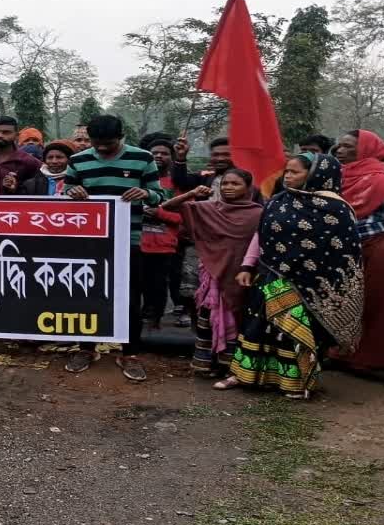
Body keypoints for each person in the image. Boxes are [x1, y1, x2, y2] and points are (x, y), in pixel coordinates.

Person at [216, 154, 363, 398]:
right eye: (287, 171)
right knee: (256, 325)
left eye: (295, 172)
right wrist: (247, 266)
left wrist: (308, 276)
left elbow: (343, 253)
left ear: (315, 175)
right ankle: (244, 374)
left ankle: (294, 382)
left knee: (293, 331)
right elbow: (260, 236)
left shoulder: (337, 209)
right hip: (270, 275)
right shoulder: (277, 201)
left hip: (309, 285)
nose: (288, 176)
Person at [63, 115, 164, 382]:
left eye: (108, 143)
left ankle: (129, 353)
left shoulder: (142, 158)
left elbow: (160, 195)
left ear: (121, 136)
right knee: (86, 296)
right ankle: (86, 348)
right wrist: (72, 193)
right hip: (89, 242)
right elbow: (65, 191)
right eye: (97, 143)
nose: (102, 149)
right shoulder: (79, 159)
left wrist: (146, 194)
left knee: (129, 299)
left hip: (127, 241)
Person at [162, 168, 262, 376]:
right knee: (209, 317)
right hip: (213, 276)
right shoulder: (209, 208)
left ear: (248, 188)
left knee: (239, 319)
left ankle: (233, 368)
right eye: (225, 183)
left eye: (235, 184)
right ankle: (208, 365)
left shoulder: (259, 214)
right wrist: (191, 194)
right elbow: (167, 206)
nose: (228, 188)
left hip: (242, 276)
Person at [334, 130, 384, 384]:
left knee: (379, 305)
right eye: (339, 146)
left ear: (365, 150)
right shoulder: (337, 178)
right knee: (345, 303)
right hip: (345, 251)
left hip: (377, 250)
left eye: (347, 147)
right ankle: (345, 355)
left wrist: (373, 227)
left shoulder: (382, 182)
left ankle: (383, 361)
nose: (339, 150)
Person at [138, 139, 187, 329]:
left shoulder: (178, 183)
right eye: (154, 152)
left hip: (165, 245)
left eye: (164, 153)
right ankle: (141, 316)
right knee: (139, 283)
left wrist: (159, 213)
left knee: (159, 284)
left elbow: (182, 217)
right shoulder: (138, 181)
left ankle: (155, 320)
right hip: (137, 242)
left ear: (172, 157)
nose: (158, 156)